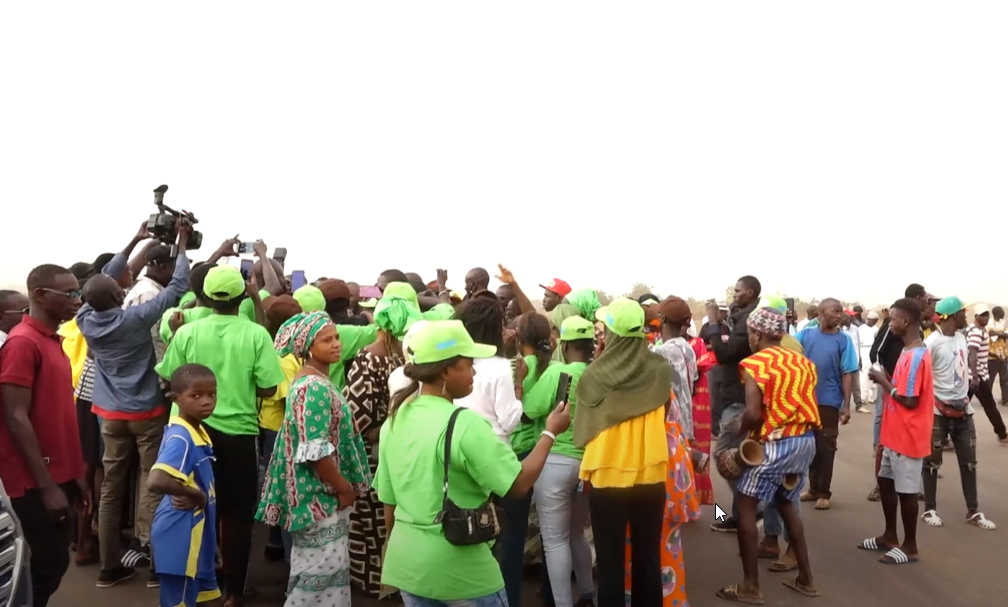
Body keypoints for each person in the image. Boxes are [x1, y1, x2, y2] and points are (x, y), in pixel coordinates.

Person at [375, 320, 571, 606]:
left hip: (408, 567)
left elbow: (388, 503)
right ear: (445, 370)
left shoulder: (395, 420)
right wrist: (550, 432)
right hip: (462, 574)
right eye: (468, 364)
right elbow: (517, 484)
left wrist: (401, 547)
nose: (475, 371)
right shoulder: (464, 424)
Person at [156, 265, 285, 606]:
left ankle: (193, 583)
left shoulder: (186, 333)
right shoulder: (257, 334)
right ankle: (233, 593)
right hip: (238, 434)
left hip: (190, 433)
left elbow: (169, 377)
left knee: (188, 505)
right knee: (238, 516)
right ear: (243, 295)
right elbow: (270, 386)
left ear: (206, 296)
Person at [77, 222, 191, 586]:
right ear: (116, 298)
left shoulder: (84, 319)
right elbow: (176, 287)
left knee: (110, 487)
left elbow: (99, 279)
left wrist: (135, 240)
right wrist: (181, 244)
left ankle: (110, 567)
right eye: (118, 288)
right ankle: (157, 564)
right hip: (147, 413)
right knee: (151, 483)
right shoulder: (135, 318)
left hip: (109, 415)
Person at [258, 312, 372, 607]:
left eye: (336, 337)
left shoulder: (311, 379)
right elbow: (314, 451)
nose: (336, 344)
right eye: (326, 340)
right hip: (319, 498)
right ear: (307, 347)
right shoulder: (315, 388)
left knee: (315, 574)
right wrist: (344, 487)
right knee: (319, 580)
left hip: (316, 496)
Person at [717, 307, 821, 603]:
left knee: (746, 507)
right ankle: (806, 579)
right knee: (787, 503)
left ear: (758, 333)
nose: (749, 338)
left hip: (776, 443)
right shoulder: (803, 363)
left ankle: (750, 586)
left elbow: (751, 413)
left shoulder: (755, 363)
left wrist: (735, 432)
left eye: (750, 333)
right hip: (804, 442)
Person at [0, 263, 89, 607]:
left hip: (58, 476)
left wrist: (75, 475)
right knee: (44, 565)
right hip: (32, 482)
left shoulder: (52, 341)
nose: (77, 300)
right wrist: (48, 486)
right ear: (39, 295)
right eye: (70, 294)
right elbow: (14, 415)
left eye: (78, 293)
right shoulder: (23, 344)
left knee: (52, 563)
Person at [576, 298, 671, 607]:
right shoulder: (660, 370)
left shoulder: (595, 376)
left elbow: (584, 427)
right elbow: (665, 411)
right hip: (650, 472)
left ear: (613, 334)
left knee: (610, 562)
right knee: (647, 558)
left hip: (608, 475)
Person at [343, 286, 421, 597]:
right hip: (391, 453)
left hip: (375, 454)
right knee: (387, 523)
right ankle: (391, 584)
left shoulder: (370, 358)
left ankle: (377, 584)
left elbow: (356, 419)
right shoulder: (395, 359)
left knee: (371, 524)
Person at [523, 316, 597, 607]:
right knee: (577, 533)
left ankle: (564, 603)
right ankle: (588, 595)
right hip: (589, 464)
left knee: (554, 541)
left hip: (555, 463)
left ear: (564, 345)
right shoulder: (598, 373)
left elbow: (530, 410)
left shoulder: (559, 373)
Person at [862, 298, 934, 565]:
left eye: (893, 318)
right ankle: (889, 535)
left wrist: (883, 382)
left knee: (906, 492)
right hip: (894, 433)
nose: (890, 323)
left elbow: (910, 400)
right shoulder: (907, 351)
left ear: (906, 321)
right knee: (886, 482)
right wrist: (887, 382)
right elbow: (901, 389)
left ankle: (910, 545)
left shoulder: (916, 356)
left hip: (909, 435)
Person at [147, 364, 222, 607]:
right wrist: (195, 495)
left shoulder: (198, 431)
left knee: (211, 599)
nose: (206, 401)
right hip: (180, 538)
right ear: (176, 399)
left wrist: (212, 545)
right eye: (196, 395)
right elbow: (156, 480)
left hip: (199, 540)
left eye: (212, 394)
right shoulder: (182, 437)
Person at [921, 297, 996, 531]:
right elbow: (924, 376)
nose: (967, 316)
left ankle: (973, 511)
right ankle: (930, 509)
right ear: (954, 316)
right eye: (963, 313)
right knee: (932, 463)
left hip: (964, 410)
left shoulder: (962, 338)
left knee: (969, 463)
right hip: (938, 411)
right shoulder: (932, 343)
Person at [708, 276, 760, 532]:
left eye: (738, 291)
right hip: (739, 397)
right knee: (740, 456)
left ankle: (749, 509)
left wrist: (714, 325)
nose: (734, 295)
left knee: (724, 456)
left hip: (738, 399)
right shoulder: (745, 316)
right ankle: (745, 512)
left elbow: (726, 354)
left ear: (750, 293)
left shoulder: (747, 320)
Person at [796, 298, 858, 510]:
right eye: (835, 311)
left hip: (829, 401)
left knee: (826, 446)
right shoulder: (804, 335)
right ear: (821, 313)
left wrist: (846, 405)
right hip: (805, 401)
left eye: (840, 312)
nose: (839, 315)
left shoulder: (844, 341)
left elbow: (848, 373)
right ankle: (813, 489)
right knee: (809, 446)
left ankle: (824, 492)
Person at [452, 296, 523, 443]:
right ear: (494, 330)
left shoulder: (451, 362)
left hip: (457, 444)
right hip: (493, 448)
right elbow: (509, 421)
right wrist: (518, 385)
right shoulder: (500, 366)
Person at [654, 296, 697, 440]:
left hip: (673, 430)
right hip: (687, 424)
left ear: (663, 318)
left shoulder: (664, 351)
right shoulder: (687, 348)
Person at [966, 304, 1008, 443]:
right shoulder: (977, 331)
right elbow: (972, 353)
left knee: (962, 405)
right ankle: (1002, 434)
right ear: (976, 316)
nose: (985, 317)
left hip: (971, 375)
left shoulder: (972, 328)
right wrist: (976, 376)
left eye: (987, 315)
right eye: (982, 315)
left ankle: (945, 435)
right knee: (989, 405)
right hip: (977, 375)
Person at [858, 310, 880, 407]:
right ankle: (863, 397)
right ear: (869, 319)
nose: (874, 322)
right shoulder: (861, 329)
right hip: (864, 351)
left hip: (874, 351)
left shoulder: (876, 329)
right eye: (873, 320)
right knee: (865, 374)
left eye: (876, 321)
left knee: (874, 372)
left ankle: (872, 397)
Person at [988, 306, 1008, 406]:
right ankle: (987, 399)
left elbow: (1005, 335)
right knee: (990, 379)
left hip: (1004, 354)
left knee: (1005, 379)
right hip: (993, 355)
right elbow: (992, 336)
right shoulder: (990, 322)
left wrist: (999, 334)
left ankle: (1005, 399)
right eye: (1001, 312)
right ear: (996, 313)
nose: (1003, 313)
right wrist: (1002, 334)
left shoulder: (1002, 323)